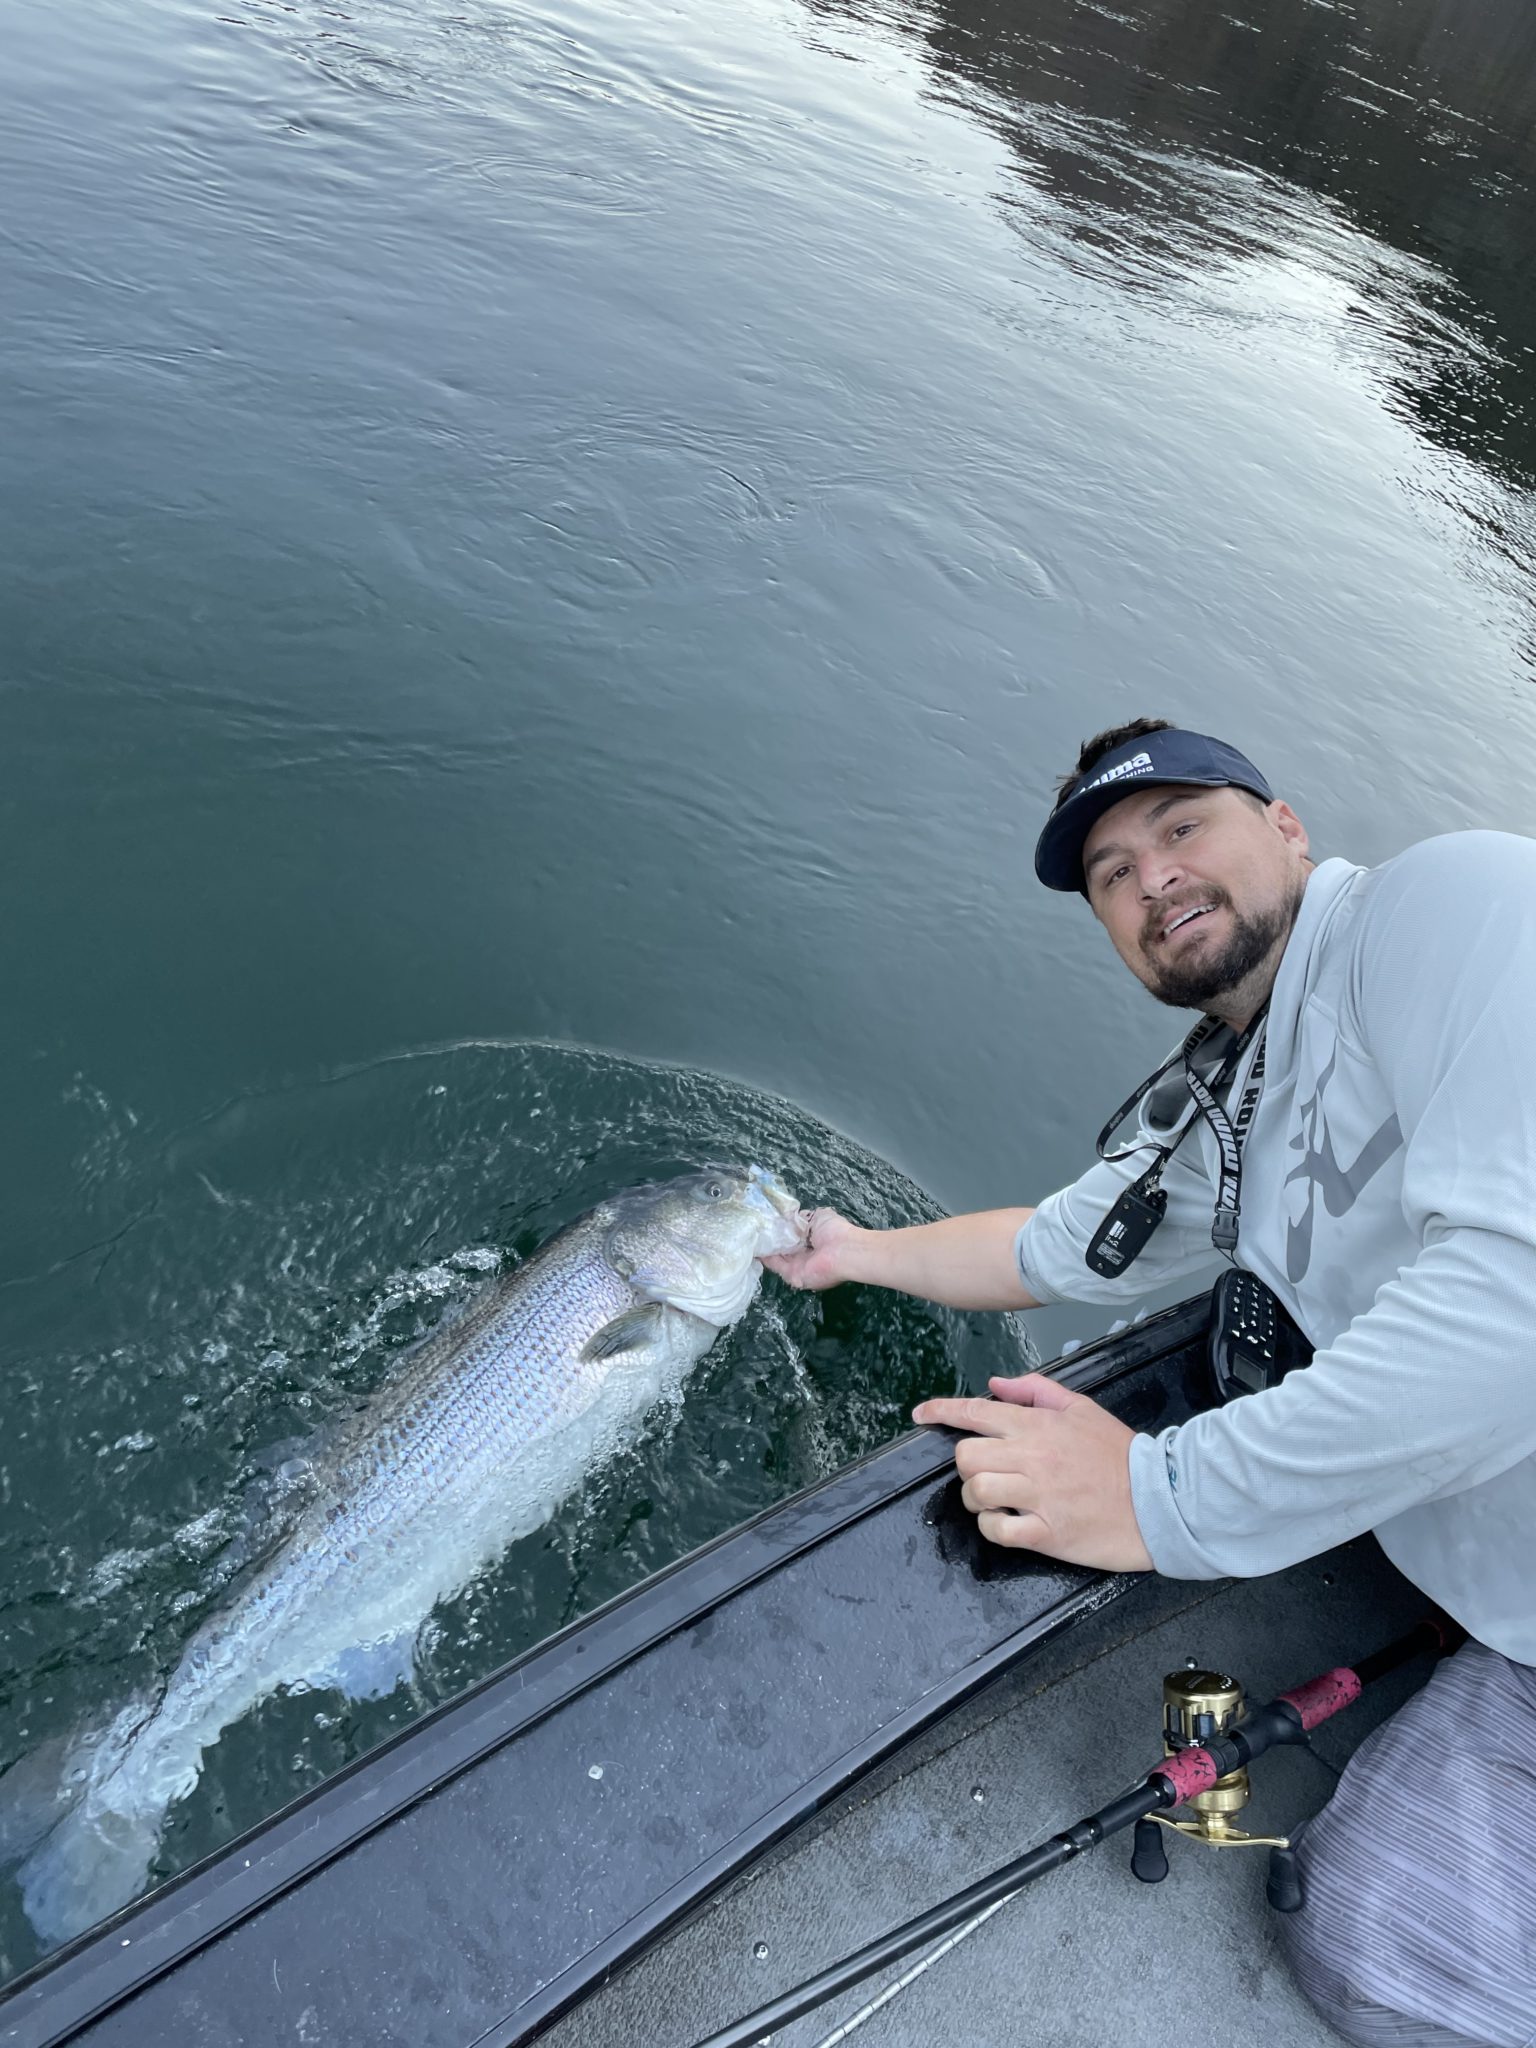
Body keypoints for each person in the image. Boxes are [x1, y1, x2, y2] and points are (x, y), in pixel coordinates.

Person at [764, 719, 1536, 2048]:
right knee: (1371, 1941)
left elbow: (1512, 1311)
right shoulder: (1228, 1105)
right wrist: (851, 1255)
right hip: (1513, 1625)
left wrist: (1154, 1494)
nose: (1151, 879)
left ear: (1286, 826)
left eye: (1182, 827)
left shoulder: (1457, 908)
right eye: (1111, 873)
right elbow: (1050, 1246)